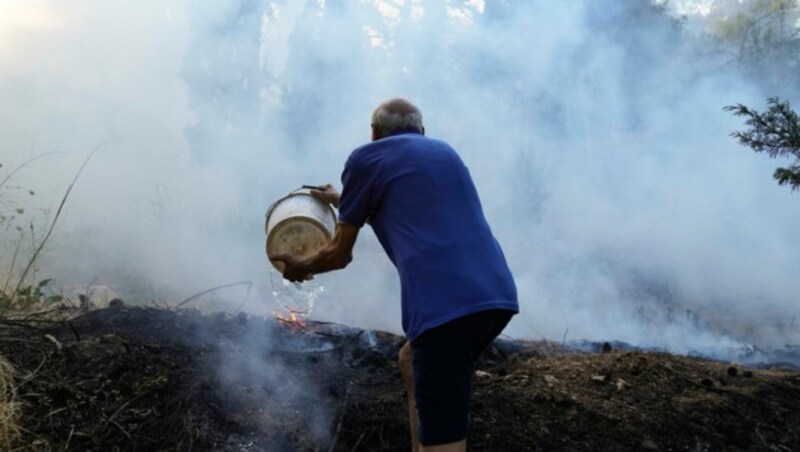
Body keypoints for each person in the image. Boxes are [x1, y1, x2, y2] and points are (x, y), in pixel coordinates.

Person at [271, 98, 518, 452]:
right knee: (410, 359)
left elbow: (339, 255)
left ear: (374, 134)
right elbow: (396, 200)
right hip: (496, 294)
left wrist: (299, 266)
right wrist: (343, 198)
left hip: (446, 310)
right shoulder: (444, 153)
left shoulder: (365, 158)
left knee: (445, 442)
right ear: (422, 131)